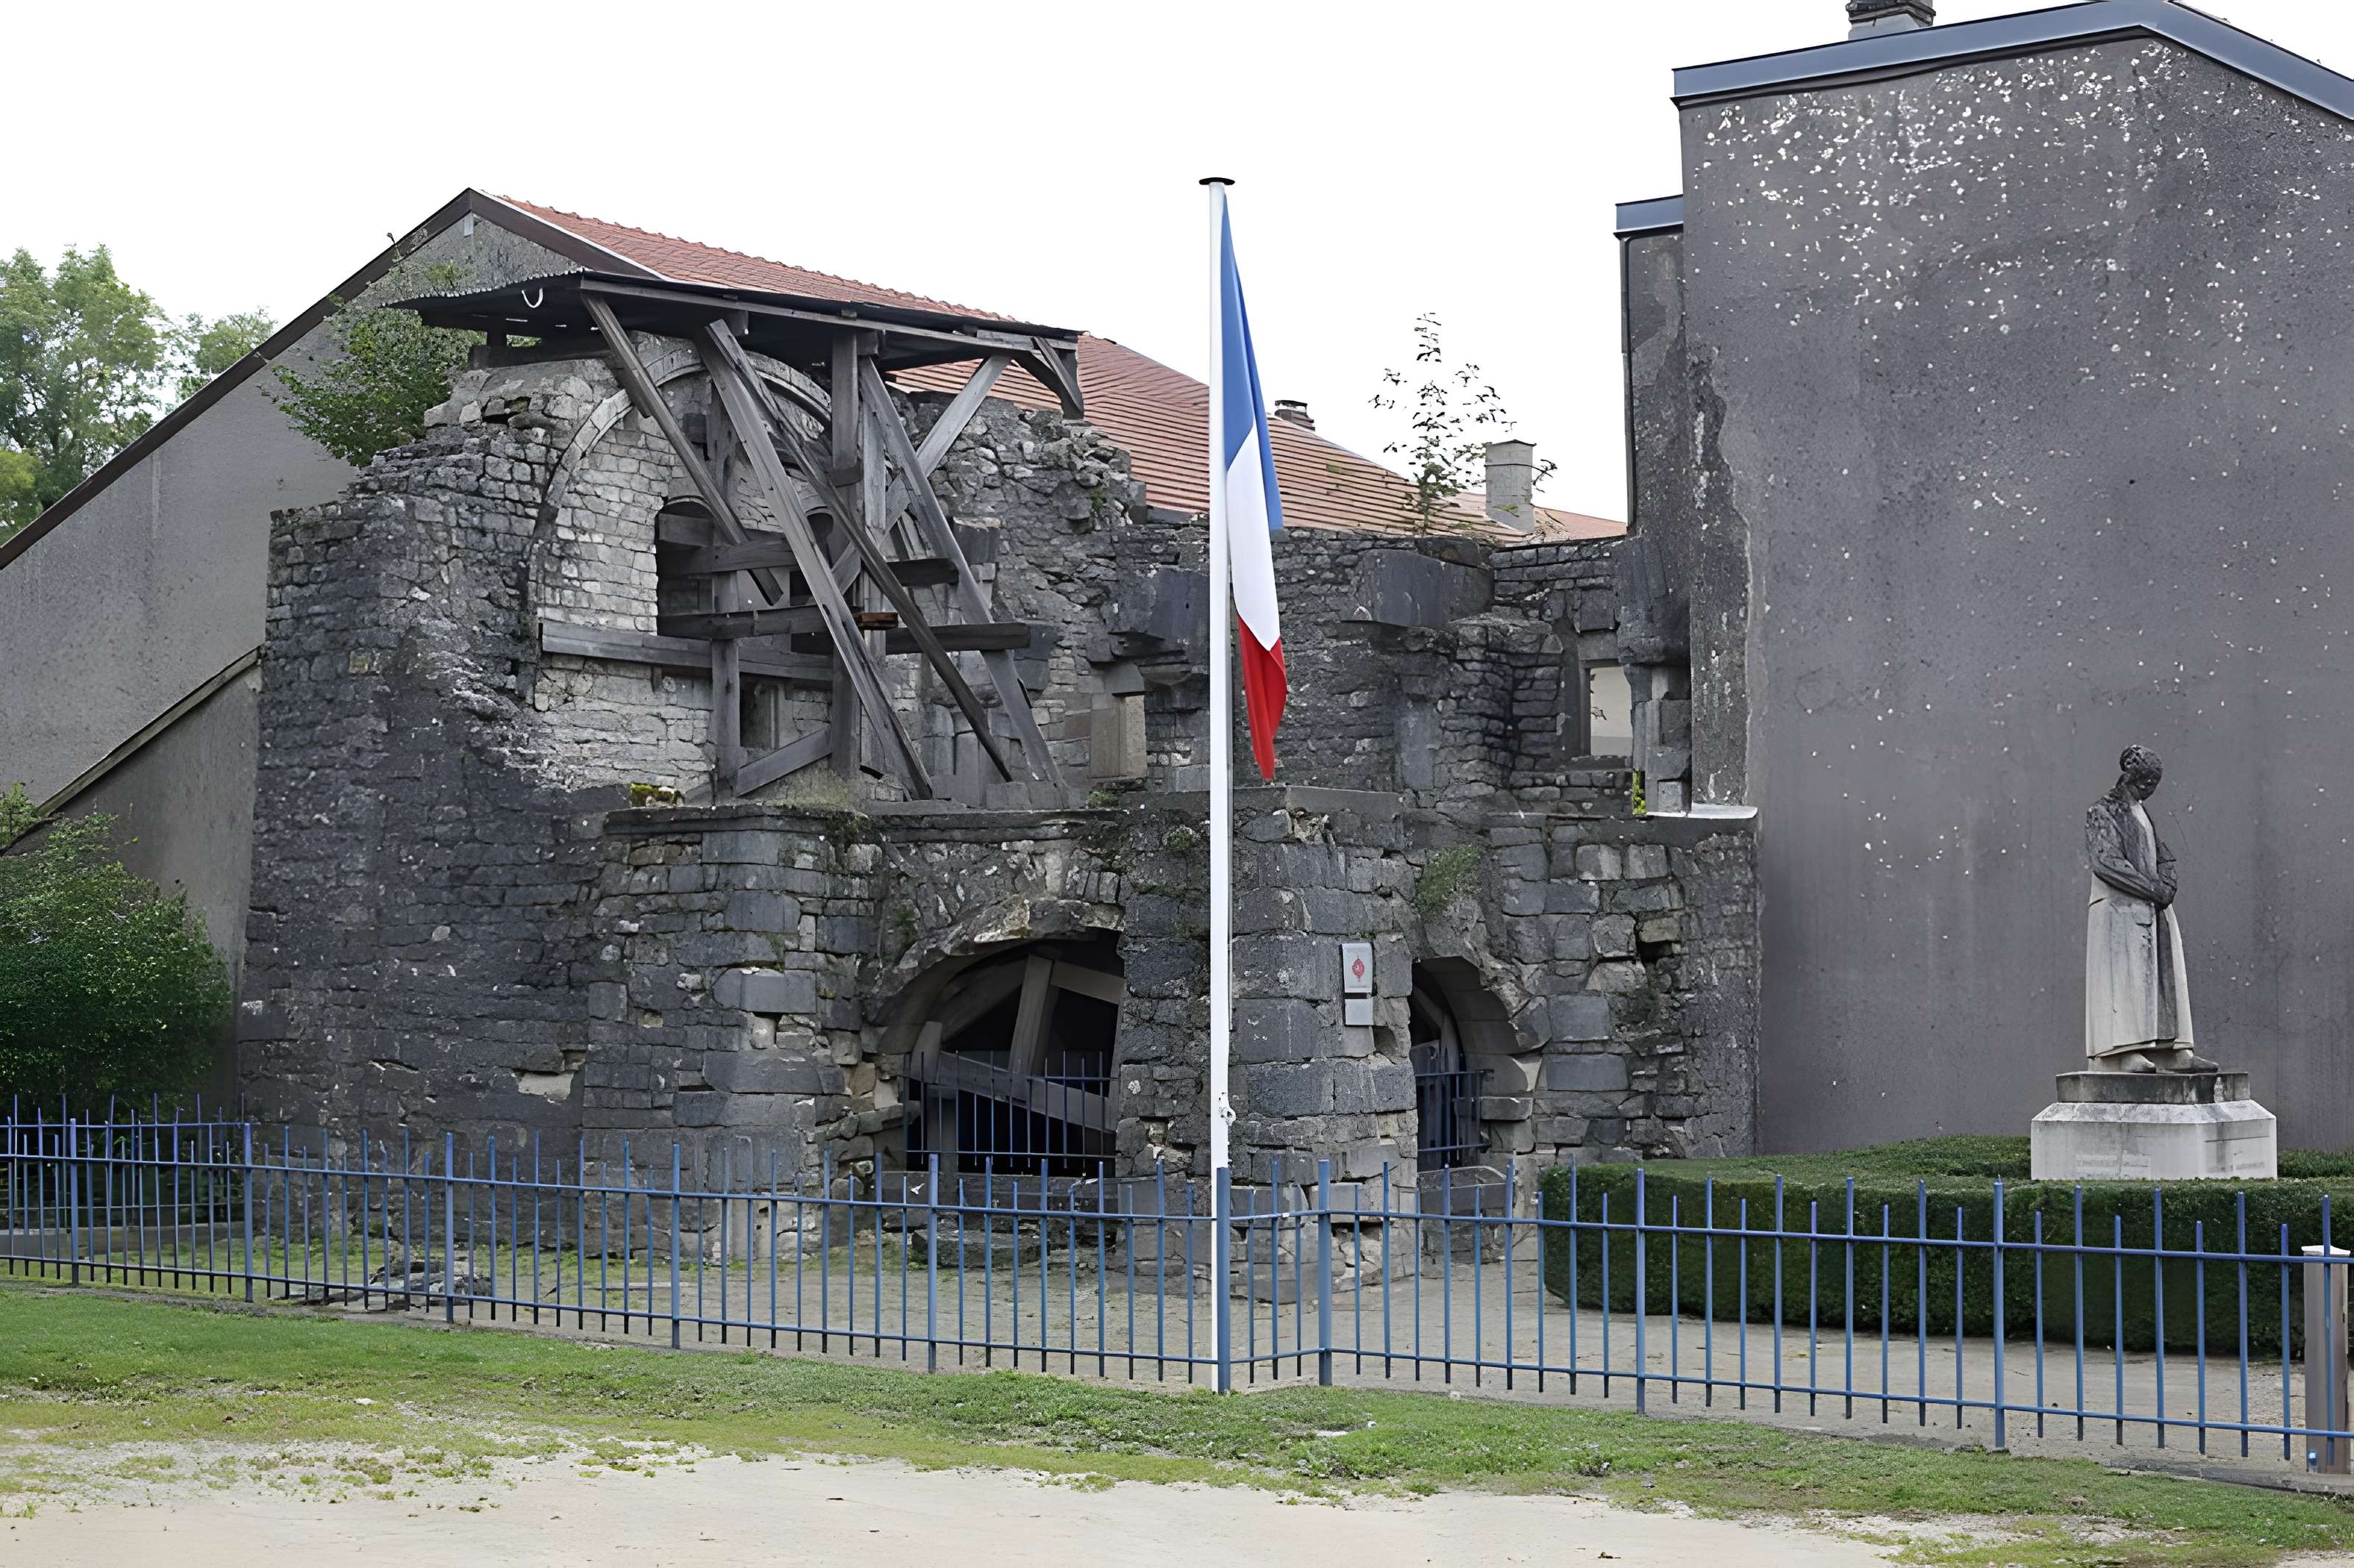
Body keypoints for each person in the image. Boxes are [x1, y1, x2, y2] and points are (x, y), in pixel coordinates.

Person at [2084, 745, 2216, 1072]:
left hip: (2153, 909)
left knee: (2166, 976)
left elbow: (2164, 856)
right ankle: (2125, 1051)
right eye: (2145, 781)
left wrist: (2168, 884)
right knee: (2125, 979)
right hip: (2120, 910)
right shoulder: (2103, 811)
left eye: (2153, 783)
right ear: (2130, 775)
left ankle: (2173, 1051)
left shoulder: (2143, 813)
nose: (2149, 788)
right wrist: (2152, 888)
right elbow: (2106, 862)